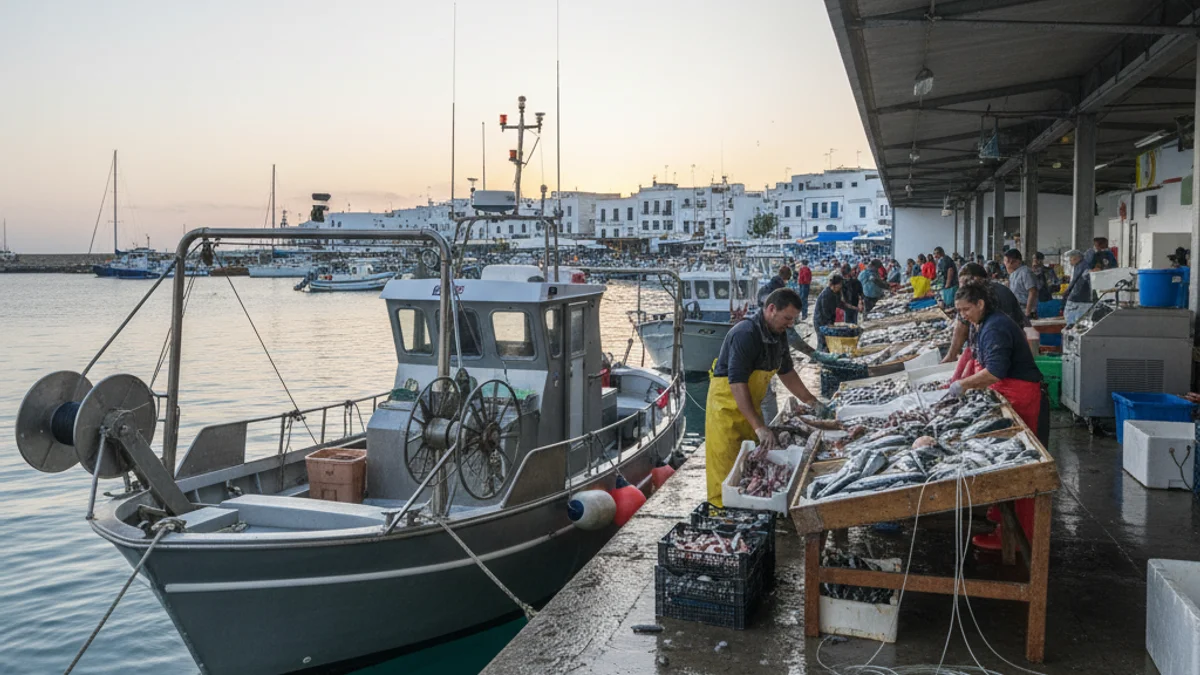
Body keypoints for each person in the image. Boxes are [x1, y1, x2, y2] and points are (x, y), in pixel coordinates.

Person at [946, 279, 1047, 550]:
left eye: (966, 309)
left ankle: (1015, 537)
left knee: (1018, 467)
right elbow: (975, 357)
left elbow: (995, 372)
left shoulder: (996, 328)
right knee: (1001, 460)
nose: (962, 315)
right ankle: (1000, 515)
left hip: (1020, 396)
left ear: (980, 304)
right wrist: (958, 379)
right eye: (959, 311)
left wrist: (962, 385)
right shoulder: (983, 324)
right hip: (1007, 393)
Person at [705, 288, 818, 506]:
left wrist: (812, 401)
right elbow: (737, 383)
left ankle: (748, 509)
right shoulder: (745, 334)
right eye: (787, 318)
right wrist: (759, 426)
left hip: (750, 409)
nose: (790, 324)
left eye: (793, 319)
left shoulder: (779, 335)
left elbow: (786, 372)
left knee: (749, 468)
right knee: (726, 472)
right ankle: (722, 515)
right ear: (771, 309)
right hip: (725, 412)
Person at [943, 262, 1035, 364]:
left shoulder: (996, 296)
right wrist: (951, 356)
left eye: (967, 283)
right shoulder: (972, 296)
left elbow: (1000, 345)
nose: (965, 289)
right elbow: (962, 324)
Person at [814, 274, 847, 351]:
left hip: (828, 320)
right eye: (840, 284)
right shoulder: (826, 294)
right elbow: (825, 311)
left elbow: (840, 304)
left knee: (828, 343)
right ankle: (817, 359)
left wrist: (851, 308)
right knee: (823, 342)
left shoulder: (836, 293)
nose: (841, 286)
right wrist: (829, 323)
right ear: (835, 285)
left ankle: (822, 358)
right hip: (821, 321)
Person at [1003, 248, 1039, 320]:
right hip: (1017, 311)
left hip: (1025, 311)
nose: (1005, 264)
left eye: (1006, 261)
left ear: (1014, 261)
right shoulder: (1013, 273)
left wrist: (1028, 312)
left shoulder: (1025, 272)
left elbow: (1032, 292)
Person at [1061, 249, 1091, 325]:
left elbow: (1075, 280)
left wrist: (1067, 292)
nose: (1070, 262)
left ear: (1076, 258)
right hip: (1084, 299)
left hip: (1079, 299)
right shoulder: (1082, 265)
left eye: (1070, 259)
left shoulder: (1081, 266)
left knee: (1072, 321)